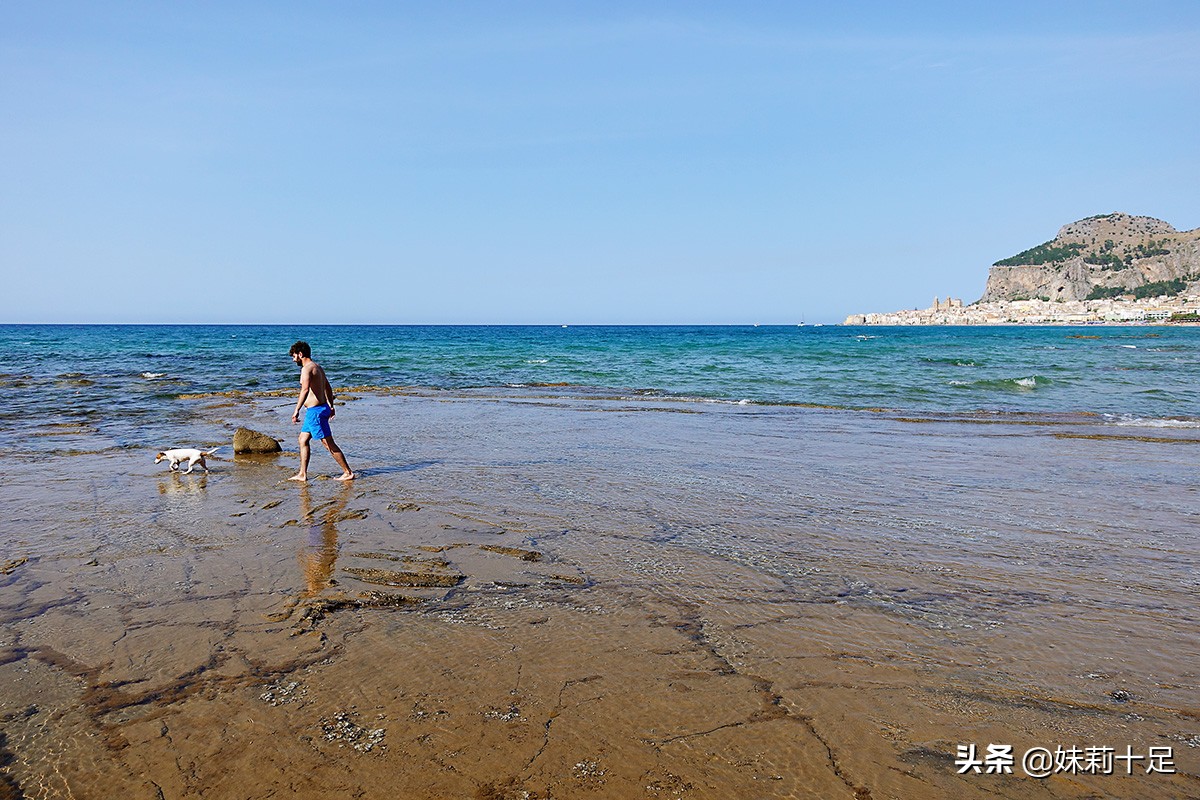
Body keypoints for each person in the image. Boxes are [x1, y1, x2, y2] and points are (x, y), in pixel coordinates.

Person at [288, 341, 355, 481]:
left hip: (315, 412)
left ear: (300, 354)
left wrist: (296, 410)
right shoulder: (318, 367)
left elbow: (305, 390)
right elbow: (328, 387)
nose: (293, 360)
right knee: (303, 439)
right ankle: (302, 474)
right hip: (317, 410)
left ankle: (347, 472)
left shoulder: (306, 369)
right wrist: (331, 406)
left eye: (294, 356)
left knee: (327, 443)